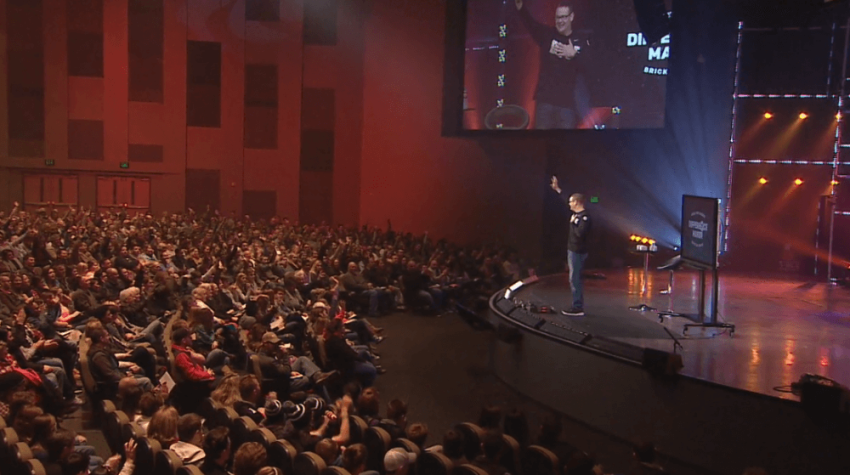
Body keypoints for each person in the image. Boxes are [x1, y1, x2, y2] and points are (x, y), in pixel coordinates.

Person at [515, 0, 590, 129]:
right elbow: (530, 23)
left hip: (567, 106)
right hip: (545, 103)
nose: (560, 21)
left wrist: (574, 55)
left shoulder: (580, 40)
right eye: (557, 17)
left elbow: (589, 68)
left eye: (563, 17)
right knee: (542, 144)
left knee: (565, 145)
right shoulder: (547, 35)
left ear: (571, 17)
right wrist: (520, 7)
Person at [551, 176, 591, 316]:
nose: (569, 204)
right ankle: (576, 305)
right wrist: (557, 189)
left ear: (576, 202)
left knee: (575, 279)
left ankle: (577, 307)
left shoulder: (584, 217)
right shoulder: (577, 215)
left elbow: (580, 234)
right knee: (573, 278)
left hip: (578, 251)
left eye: (570, 202)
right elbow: (565, 198)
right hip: (573, 250)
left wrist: (573, 223)